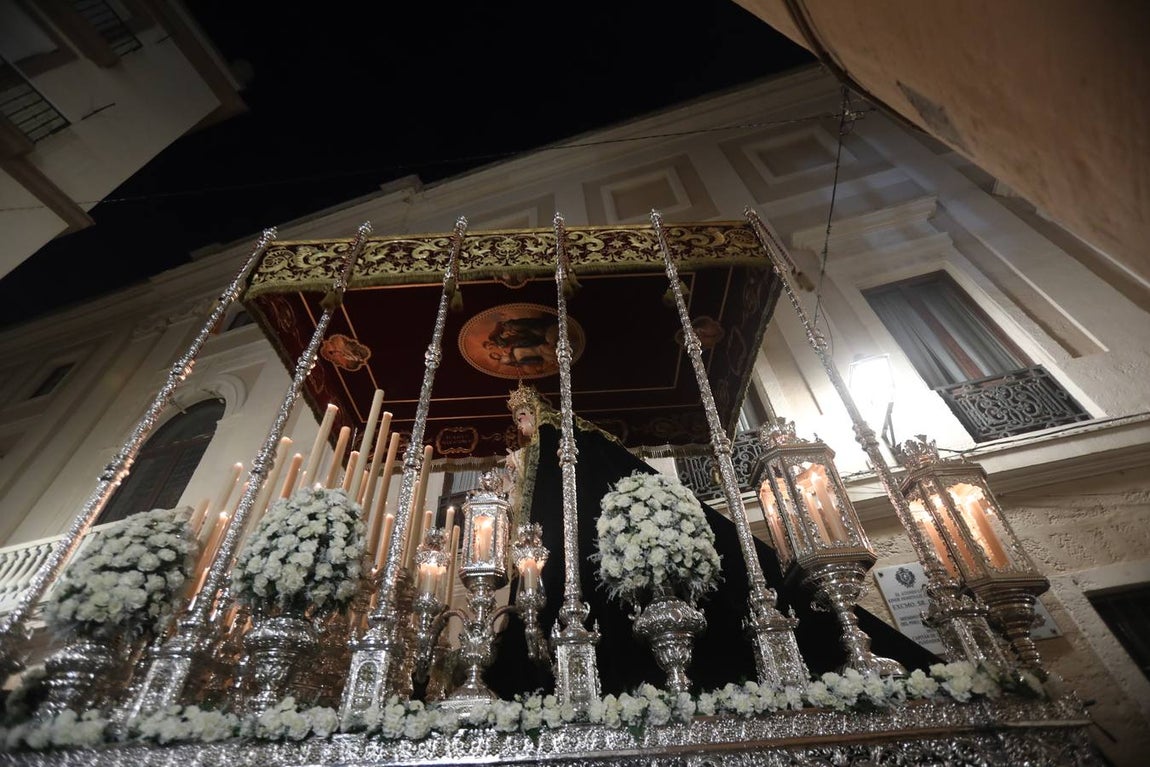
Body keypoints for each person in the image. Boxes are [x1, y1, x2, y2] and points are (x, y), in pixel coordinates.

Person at [485, 383, 937, 698]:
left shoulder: (563, 440)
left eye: (524, 415)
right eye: (520, 417)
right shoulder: (539, 453)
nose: (522, 423)